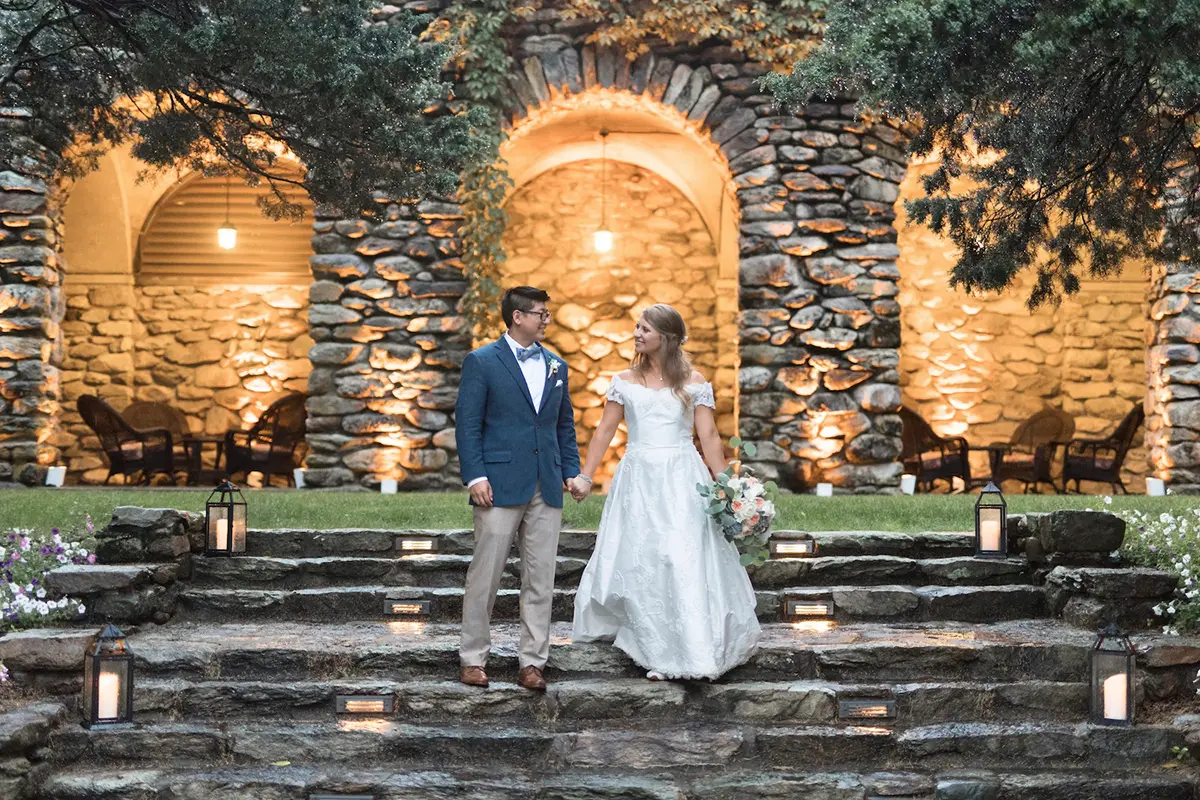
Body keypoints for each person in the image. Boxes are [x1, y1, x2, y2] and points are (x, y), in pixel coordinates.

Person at [569, 304, 761, 680]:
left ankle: (690, 647)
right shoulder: (623, 381)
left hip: (682, 477)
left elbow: (708, 436)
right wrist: (586, 476)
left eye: (645, 329)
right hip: (638, 478)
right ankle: (652, 645)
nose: (637, 334)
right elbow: (605, 430)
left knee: (679, 554)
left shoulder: (694, 382)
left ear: (667, 337)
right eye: (637, 327)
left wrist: (729, 488)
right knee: (646, 554)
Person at [455, 286, 584, 691]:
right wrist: (476, 476)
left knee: (541, 578)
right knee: (485, 574)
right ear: (518, 317)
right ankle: (473, 658)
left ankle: (532, 662)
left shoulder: (557, 366)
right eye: (541, 314)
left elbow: (563, 425)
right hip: (497, 483)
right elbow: (468, 424)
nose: (546, 320)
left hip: (547, 483)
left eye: (547, 314)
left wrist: (571, 471)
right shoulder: (481, 361)